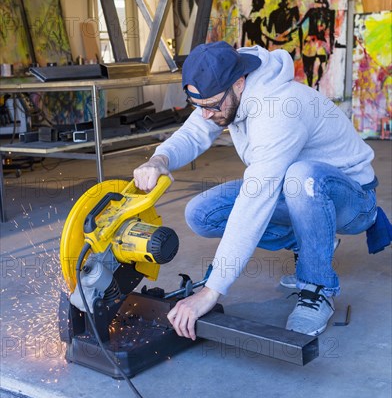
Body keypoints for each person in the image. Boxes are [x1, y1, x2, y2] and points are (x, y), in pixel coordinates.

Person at [134, 41, 391, 341]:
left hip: (353, 199)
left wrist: (210, 291)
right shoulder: (221, 93)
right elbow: (194, 132)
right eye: (198, 107)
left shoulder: (277, 108)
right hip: (298, 190)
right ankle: (311, 246)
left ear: (239, 83)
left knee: (299, 176)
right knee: (202, 213)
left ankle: (317, 286)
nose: (205, 115)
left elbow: (255, 202)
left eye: (212, 106)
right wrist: (159, 159)